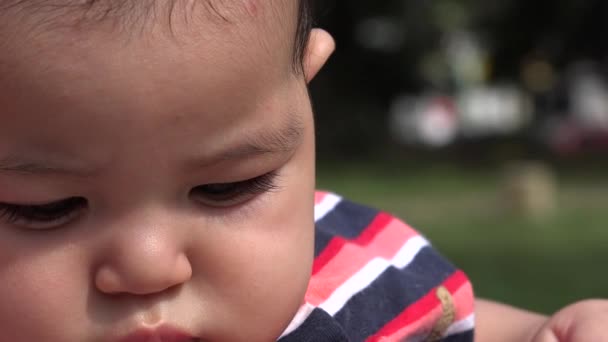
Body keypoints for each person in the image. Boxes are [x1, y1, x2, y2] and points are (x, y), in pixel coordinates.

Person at [0, 0, 605, 341]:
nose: (150, 265)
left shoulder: (351, 270)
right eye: (43, 206)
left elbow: (443, 319)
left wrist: (543, 330)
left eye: (226, 188)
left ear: (303, 84)